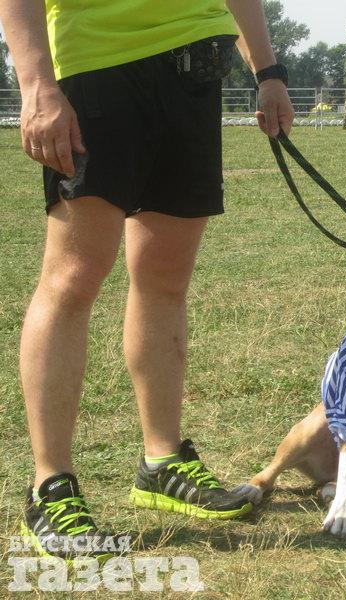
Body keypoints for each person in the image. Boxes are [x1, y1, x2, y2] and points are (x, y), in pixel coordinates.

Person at [0, 0, 294, 559]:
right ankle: (49, 486)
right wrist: (37, 84)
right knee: (73, 277)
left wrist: (268, 70)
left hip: (195, 66)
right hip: (99, 65)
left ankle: (162, 463)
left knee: (166, 276)